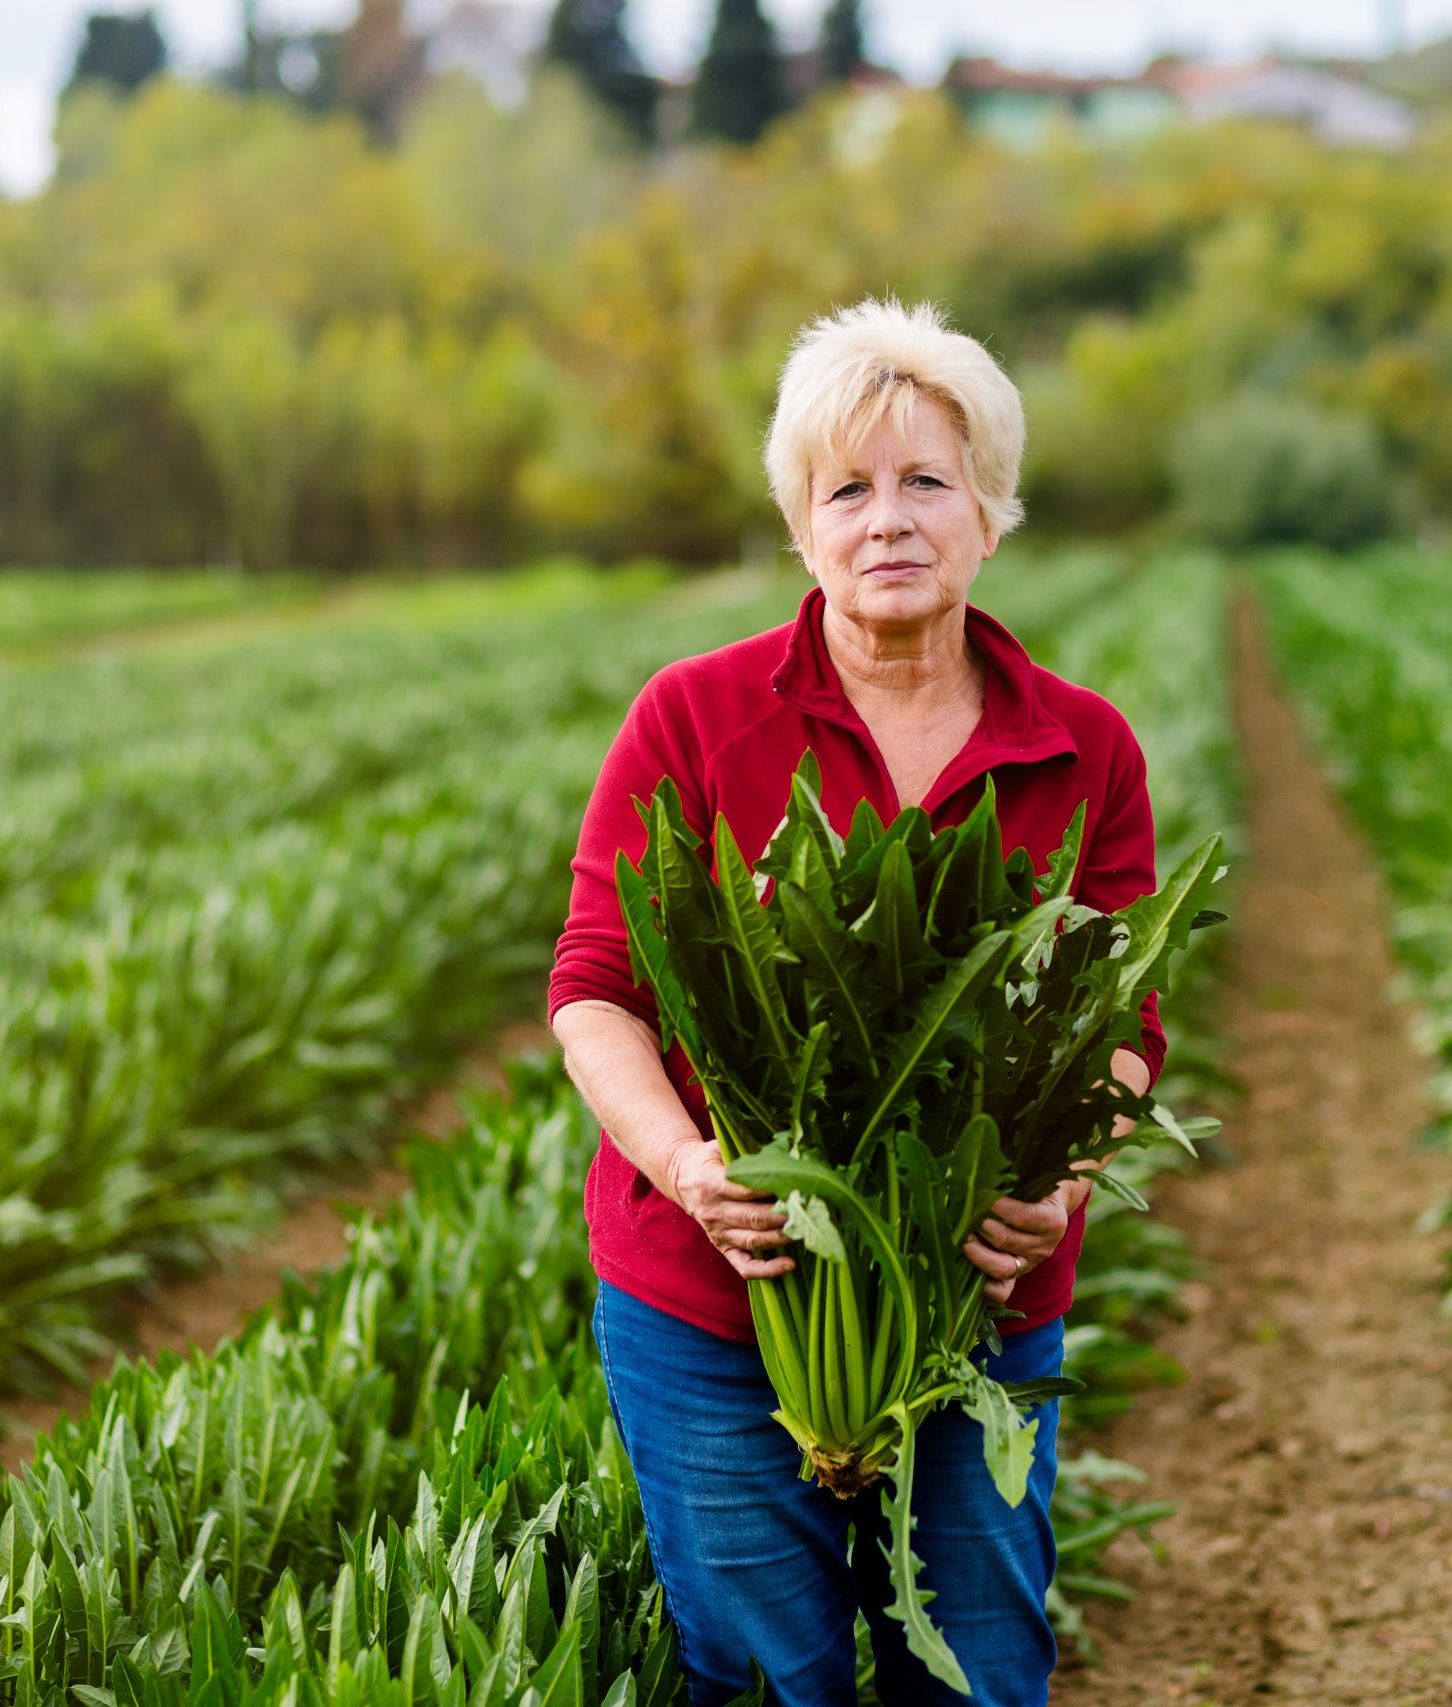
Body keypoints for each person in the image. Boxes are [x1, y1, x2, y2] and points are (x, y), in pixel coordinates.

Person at [547, 296, 1168, 1707]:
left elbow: (1120, 1027)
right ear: (803, 530)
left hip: (972, 1309)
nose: (887, 519)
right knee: (770, 1677)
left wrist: (1060, 1180)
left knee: (983, 1672)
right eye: (848, 489)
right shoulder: (693, 721)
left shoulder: (1085, 753)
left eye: (927, 482)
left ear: (992, 516)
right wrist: (691, 1167)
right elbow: (595, 989)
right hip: (719, 1297)